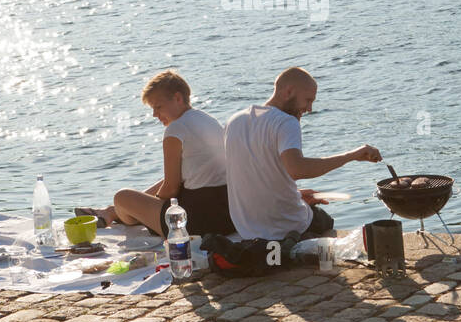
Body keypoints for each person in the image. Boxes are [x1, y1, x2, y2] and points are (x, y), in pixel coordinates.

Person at [224, 67, 380, 241]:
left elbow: (254, 174)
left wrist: (295, 194)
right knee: (325, 220)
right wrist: (352, 155)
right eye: (308, 100)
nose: (310, 108)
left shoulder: (234, 121)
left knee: (308, 205)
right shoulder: (285, 122)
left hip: (247, 228)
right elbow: (297, 170)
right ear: (288, 91)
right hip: (283, 225)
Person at [79, 71, 234, 238]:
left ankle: (114, 212)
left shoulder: (176, 129)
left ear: (178, 98)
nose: (154, 114)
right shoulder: (209, 120)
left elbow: (171, 188)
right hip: (228, 214)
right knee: (168, 181)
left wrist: (153, 205)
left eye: (158, 107)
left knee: (122, 197)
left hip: (195, 222)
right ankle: (111, 212)